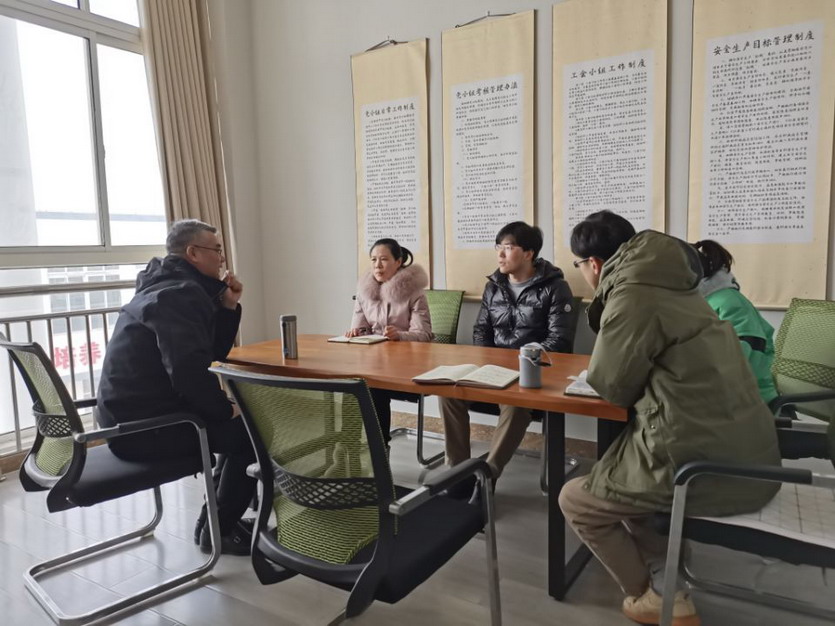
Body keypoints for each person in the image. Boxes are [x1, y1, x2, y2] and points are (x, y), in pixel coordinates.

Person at [559, 210, 781, 626]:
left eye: (579, 264)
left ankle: (655, 599)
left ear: (595, 264)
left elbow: (612, 387)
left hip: (703, 463)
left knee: (576, 500)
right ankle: (668, 577)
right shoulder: (680, 286)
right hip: (749, 451)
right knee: (625, 474)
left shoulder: (632, 295)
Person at [97, 219, 256, 556]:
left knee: (237, 428)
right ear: (193, 253)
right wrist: (225, 408)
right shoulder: (178, 295)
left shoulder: (163, 285)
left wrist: (228, 305)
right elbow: (188, 373)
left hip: (128, 419)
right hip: (145, 429)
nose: (222, 258)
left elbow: (207, 354)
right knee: (252, 435)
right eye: (216, 250)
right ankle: (219, 530)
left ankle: (215, 523)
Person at [439, 221, 574, 496]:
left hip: (530, 374)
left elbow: (559, 341)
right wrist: (488, 364)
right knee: (449, 393)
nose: (500, 254)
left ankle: (487, 476)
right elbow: (481, 330)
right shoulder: (494, 286)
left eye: (508, 247)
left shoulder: (555, 288)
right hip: (492, 370)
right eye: (498, 247)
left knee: (515, 406)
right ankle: (458, 472)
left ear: (529, 253)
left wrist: (520, 364)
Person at [348, 238, 432, 442]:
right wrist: (356, 333)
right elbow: (361, 328)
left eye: (384, 259)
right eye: (373, 259)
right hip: (375, 363)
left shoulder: (415, 293)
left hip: (408, 365)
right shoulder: (364, 293)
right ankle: (350, 446)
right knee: (350, 383)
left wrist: (400, 335)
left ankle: (380, 447)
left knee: (372, 387)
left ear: (398, 261)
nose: (377, 265)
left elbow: (424, 335)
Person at [693, 239, 778, 405]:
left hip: (749, 399)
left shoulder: (730, 304)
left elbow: (738, 361)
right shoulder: (701, 301)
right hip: (721, 393)